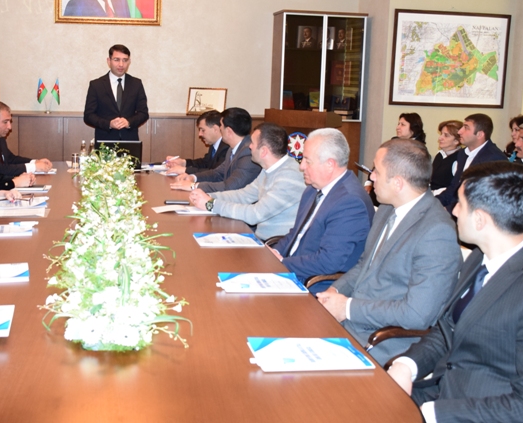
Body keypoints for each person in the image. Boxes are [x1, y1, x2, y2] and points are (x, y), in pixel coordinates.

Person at [388, 162, 523, 423]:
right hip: (445, 393)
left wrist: (434, 414)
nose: (454, 211)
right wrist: (406, 365)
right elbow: (448, 331)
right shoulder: (480, 256)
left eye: (460, 204)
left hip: (485, 413)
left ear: (480, 219)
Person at [316, 139, 461, 365]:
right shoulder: (386, 209)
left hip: (381, 343)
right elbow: (365, 265)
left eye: (376, 171)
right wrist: (334, 291)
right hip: (349, 325)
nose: (371, 176)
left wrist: (347, 308)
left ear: (398, 183)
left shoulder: (436, 233)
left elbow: (416, 314)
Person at [267, 128, 374, 294]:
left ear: (330, 164)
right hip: (290, 272)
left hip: (314, 284)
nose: (301, 166)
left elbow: (329, 261)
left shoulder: (350, 202)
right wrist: (274, 253)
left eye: (307, 161)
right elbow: (296, 234)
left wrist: (282, 263)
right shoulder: (312, 189)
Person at [188, 123, 305, 240]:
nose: (249, 146)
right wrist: (208, 196)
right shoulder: (269, 169)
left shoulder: (289, 176)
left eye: (252, 143)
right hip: (261, 239)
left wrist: (211, 204)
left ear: (263, 151)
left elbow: (255, 214)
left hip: (274, 245)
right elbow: (244, 195)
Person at [171, 107, 261, 194]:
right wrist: (193, 177)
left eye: (221, 125)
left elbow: (230, 187)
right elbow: (217, 173)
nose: (219, 128)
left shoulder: (248, 153)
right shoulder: (233, 149)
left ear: (229, 131)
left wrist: (194, 186)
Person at [437, 113, 506, 211]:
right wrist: (434, 203)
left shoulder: (494, 159)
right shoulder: (462, 153)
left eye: (466, 128)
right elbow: (454, 188)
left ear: (480, 134)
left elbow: (481, 199)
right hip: (458, 208)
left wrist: (447, 210)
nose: (460, 132)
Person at [0, 101, 53, 184]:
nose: (9, 127)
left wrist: (35, 162)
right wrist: (33, 167)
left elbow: (11, 159)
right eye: (5, 122)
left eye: (10, 122)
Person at [84, 44, 149, 142]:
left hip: (130, 141)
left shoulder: (136, 84)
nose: (121, 64)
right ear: (109, 61)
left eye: (125, 60)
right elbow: (88, 116)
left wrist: (129, 122)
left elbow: (143, 113)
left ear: (129, 62)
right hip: (104, 142)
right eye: (116, 60)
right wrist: (109, 124)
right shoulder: (96, 85)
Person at [165, 110, 229, 175]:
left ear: (215, 129)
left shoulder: (226, 147)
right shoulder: (214, 144)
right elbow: (205, 163)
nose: (199, 134)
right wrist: (183, 162)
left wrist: (185, 170)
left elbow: (215, 173)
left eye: (203, 130)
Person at [430, 119, 463, 191]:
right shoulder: (440, 154)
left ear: (456, 141)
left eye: (446, 135)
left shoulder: (459, 159)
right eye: (441, 134)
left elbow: (455, 188)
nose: (440, 138)